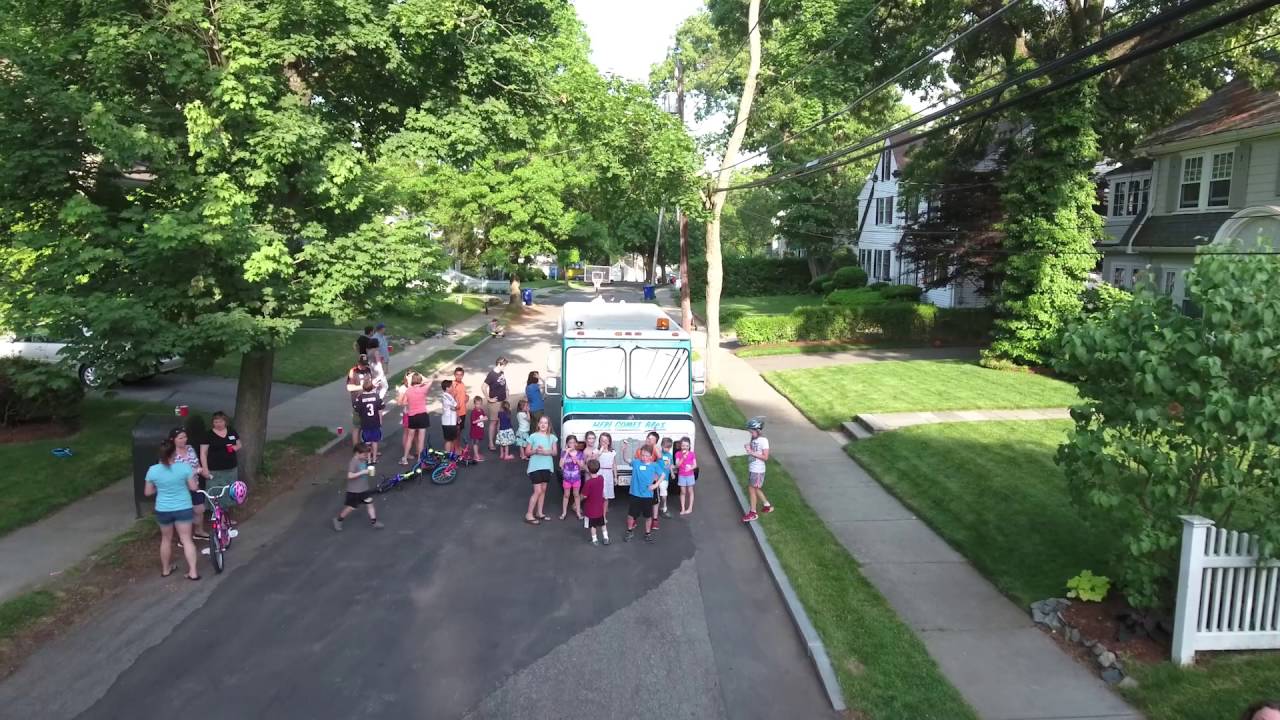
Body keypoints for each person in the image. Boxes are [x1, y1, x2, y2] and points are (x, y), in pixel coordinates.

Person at [145, 438, 200, 580]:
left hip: (163, 509)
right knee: (186, 539)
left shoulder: (153, 470)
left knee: (166, 539)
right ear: (174, 453)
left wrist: (160, 487)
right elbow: (194, 487)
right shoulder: (184, 468)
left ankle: (165, 570)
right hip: (183, 507)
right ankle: (193, 572)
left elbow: (148, 492)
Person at [199, 411, 241, 521]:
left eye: (220, 421)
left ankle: (226, 518)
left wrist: (234, 448)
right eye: (216, 422)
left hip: (231, 469)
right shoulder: (208, 435)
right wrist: (205, 469)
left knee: (228, 493)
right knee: (216, 493)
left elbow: (239, 444)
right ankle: (219, 519)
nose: (218, 424)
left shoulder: (231, 431)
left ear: (225, 421)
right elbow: (203, 453)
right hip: (215, 470)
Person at [171, 427, 210, 541]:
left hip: (194, 484)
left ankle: (199, 531)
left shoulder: (190, 448)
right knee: (183, 513)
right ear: (173, 439)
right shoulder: (170, 453)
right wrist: (194, 471)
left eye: (185, 437)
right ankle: (183, 538)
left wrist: (202, 471)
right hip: (180, 488)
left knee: (199, 509)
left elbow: (196, 463)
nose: (184, 440)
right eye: (180, 438)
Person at [333, 443, 384, 531]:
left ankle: (374, 522)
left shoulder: (363, 460)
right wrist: (363, 472)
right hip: (354, 491)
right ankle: (338, 520)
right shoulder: (353, 462)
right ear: (357, 453)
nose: (366, 456)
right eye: (364, 454)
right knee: (351, 507)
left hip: (364, 489)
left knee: (370, 504)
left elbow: (364, 468)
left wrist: (368, 471)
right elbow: (350, 475)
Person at [524, 415, 558, 525]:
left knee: (543, 490)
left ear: (548, 425)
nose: (543, 425)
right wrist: (535, 451)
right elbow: (527, 452)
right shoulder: (533, 436)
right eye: (541, 423)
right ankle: (529, 514)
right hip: (535, 467)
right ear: (538, 424)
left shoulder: (552, 437)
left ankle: (539, 512)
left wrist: (544, 452)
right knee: (537, 491)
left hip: (547, 466)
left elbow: (555, 452)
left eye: (545, 423)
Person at [623, 444, 660, 543]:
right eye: (642, 455)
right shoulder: (636, 462)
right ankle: (629, 531)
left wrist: (655, 485)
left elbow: (663, 475)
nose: (644, 457)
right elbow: (626, 459)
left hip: (647, 495)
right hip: (635, 494)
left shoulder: (654, 465)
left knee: (648, 516)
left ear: (651, 456)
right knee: (631, 515)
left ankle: (647, 533)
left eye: (646, 455)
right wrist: (624, 450)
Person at [742, 417, 775, 522]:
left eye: (752, 432)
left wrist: (751, 452)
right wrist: (749, 447)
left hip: (758, 470)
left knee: (752, 489)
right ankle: (767, 505)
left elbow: (765, 457)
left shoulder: (763, 441)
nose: (751, 434)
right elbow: (755, 451)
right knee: (756, 488)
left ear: (758, 430)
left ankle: (753, 513)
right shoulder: (754, 439)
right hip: (753, 468)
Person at [397, 372, 431, 465]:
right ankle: (420, 459)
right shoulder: (423, 389)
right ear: (420, 380)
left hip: (412, 416)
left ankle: (405, 458)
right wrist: (421, 375)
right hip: (422, 415)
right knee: (421, 439)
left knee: (410, 437)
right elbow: (429, 381)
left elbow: (404, 402)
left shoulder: (408, 391)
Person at [345, 354, 375, 447]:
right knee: (357, 427)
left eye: (365, 364)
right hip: (358, 403)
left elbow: (371, 382)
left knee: (368, 426)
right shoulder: (353, 371)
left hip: (368, 402)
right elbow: (349, 387)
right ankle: (356, 447)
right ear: (358, 363)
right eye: (362, 364)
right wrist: (362, 387)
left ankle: (368, 448)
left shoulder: (368, 370)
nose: (364, 366)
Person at [353, 378, 384, 462]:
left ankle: (368, 459)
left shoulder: (360, 398)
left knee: (367, 442)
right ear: (372, 387)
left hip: (365, 423)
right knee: (375, 441)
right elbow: (380, 410)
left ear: (363, 387)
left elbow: (356, 409)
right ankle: (374, 459)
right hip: (375, 422)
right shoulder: (377, 397)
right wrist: (380, 421)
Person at [483, 357, 509, 450]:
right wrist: (489, 398)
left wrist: (507, 392)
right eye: (504, 365)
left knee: (500, 422)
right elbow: (483, 387)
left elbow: (504, 383)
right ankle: (491, 443)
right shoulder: (492, 375)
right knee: (494, 422)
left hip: (502, 401)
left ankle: (500, 441)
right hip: (495, 403)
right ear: (499, 364)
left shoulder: (501, 373)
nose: (505, 367)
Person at [581, 459, 608, 545]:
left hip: (591, 509)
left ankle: (595, 539)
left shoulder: (588, 483)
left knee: (592, 525)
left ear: (588, 470)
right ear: (598, 468)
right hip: (600, 508)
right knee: (603, 524)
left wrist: (579, 498)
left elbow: (584, 495)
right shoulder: (601, 478)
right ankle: (606, 538)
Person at [559, 435, 583, 521]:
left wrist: (577, 460)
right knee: (566, 495)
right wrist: (566, 453)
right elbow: (560, 465)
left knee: (576, 495)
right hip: (566, 478)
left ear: (576, 443)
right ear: (567, 444)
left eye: (573, 442)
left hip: (576, 478)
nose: (572, 444)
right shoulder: (563, 453)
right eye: (570, 443)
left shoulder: (580, 453)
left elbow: (582, 466)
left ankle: (578, 512)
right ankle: (564, 512)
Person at [675, 436, 697, 515]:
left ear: (689, 446)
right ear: (680, 446)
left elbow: (695, 465)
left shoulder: (692, 454)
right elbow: (677, 465)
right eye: (683, 445)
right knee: (683, 491)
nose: (685, 447)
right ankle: (683, 508)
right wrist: (683, 458)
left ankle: (690, 508)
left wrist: (690, 468)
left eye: (687, 446)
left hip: (690, 475)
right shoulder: (678, 454)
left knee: (690, 491)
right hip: (682, 475)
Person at [597, 432, 617, 518]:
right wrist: (599, 452)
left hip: (608, 474)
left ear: (609, 442)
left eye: (606, 441)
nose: (604, 443)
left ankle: (603, 516)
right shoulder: (597, 451)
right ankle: (597, 514)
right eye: (602, 441)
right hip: (599, 473)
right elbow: (593, 461)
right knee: (598, 495)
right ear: (599, 442)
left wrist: (615, 477)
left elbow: (614, 465)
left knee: (606, 497)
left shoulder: (612, 452)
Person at [656, 436, 675, 521]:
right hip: (657, 477)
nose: (666, 449)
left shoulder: (669, 455)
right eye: (665, 447)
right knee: (656, 494)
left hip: (665, 478)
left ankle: (664, 508)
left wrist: (672, 472)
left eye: (668, 448)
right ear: (662, 445)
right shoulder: (658, 453)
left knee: (663, 494)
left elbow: (669, 465)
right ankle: (659, 509)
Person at [449, 366, 469, 440]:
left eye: (461, 375)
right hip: (456, 413)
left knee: (459, 430)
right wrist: (456, 414)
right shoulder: (453, 385)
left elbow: (463, 395)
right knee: (455, 432)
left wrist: (467, 397)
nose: (459, 376)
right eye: (457, 374)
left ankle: (457, 445)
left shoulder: (462, 384)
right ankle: (454, 446)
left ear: (463, 375)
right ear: (454, 375)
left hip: (463, 411)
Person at [440, 379, 460, 454]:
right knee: (449, 440)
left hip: (450, 421)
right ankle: (447, 455)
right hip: (449, 422)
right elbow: (457, 406)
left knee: (451, 439)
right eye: (451, 386)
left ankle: (450, 455)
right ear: (447, 388)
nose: (452, 388)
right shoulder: (447, 396)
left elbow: (454, 408)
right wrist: (456, 397)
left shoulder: (447, 395)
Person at [468, 396, 487, 462]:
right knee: (475, 443)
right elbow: (473, 422)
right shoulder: (474, 412)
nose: (478, 405)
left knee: (477, 442)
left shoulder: (481, 410)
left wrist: (485, 418)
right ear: (474, 404)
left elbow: (484, 416)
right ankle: (476, 456)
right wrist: (481, 419)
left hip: (479, 430)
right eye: (477, 404)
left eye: (480, 404)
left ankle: (477, 454)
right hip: (475, 431)